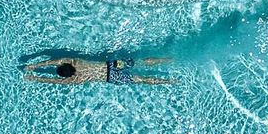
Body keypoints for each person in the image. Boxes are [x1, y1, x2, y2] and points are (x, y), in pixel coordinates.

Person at [23, 55, 177, 86]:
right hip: (112, 65)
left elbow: (52, 80)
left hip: (111, 78)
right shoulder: (73, 61)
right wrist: (34, 66)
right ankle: (168, 59)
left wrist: (35, 78)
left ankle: (168, 81)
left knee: (141, 80)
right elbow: (52, 61)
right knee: (139, 62)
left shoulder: (72, 80)